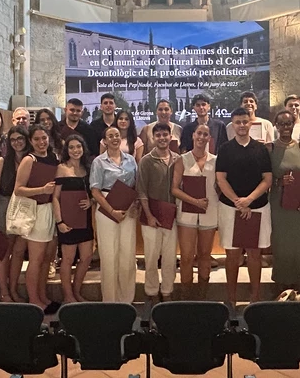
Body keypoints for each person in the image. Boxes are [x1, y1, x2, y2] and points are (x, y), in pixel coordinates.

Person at [216, 108, 273, 306]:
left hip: (257, 207)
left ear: (251, 123)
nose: (241, 125)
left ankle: (254, 298)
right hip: (230, 208)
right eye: (238, 122)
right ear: (233, 124)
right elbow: (221, 179)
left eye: (245, 122)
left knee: (254, 254)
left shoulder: (261, 149)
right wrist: (237, 202)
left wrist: (248, 199)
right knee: (232, 255)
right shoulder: (224, 149)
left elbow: (267, 179)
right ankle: (231, 299)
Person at [90, 126, 139, 303]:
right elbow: (95, 190)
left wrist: (135, 204)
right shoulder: (99, 162)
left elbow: (136, 185)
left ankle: (127, 299)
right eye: (110, 136)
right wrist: (111, 210)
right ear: (104, 140)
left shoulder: (131, 160)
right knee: (109, 255)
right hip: (106, 207)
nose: (114, 138)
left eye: (117, 135)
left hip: (128, 207)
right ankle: (110, 301)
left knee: (127, 255)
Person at [14, 124, 60, 312]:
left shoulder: (53, 157)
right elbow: (18, 189)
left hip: (51, 210)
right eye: (37, 139)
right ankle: (34, 299)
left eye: (44, 138)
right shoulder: (29, 160)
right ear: (31, 142)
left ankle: (42, 295)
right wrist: (42, 190)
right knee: (36, 258)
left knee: (47, 258)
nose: (41, 142)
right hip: (36, 211)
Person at [171, 124, 219, 299]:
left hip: (210, 212)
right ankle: (187, 298)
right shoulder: (181, 159)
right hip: (187, 213)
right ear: (193, 135)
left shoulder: (215, 160)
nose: (202, 137)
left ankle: (202, 298)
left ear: (209, 138)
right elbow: (174, 189)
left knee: (205, 256)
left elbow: (219, 186)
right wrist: (195, 202)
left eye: (206, 134)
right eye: (199, 133)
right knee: (186, 257)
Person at [268, 110, 300, 288]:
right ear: (276, 126)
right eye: (281, 124)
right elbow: (264, 178)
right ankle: (280, 286)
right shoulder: (270, 148)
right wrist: (279, 180)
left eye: (288, 123)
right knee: (281, 245)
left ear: (293, 125)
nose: (285, 127)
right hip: (279, 205)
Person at [137, 123, 180, 304]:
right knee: (152, 256)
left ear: (171, 137)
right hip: (151, 215)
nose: (162, 138)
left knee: (170, 256)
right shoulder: (146, 160)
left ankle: (168, 290)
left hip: (171, 215)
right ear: (153, 138)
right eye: (158, 135)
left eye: (165, 135)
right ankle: (152, 291)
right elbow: (141, 191)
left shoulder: (178, 159)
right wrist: (149, 215)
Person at [0, 125, 31, 302]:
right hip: (5, 206)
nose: (17, 143)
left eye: (20, 138)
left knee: (19, 251)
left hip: (27, 207)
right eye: (12, 139)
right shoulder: (1, 162)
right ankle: (4, 292)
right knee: (3, 252)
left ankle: (13, 290)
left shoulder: (31, 160)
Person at [52, 134, 95, 303]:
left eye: (78, 147)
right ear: (66, 150)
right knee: (68, 259)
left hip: (84, 219)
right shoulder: (61, 168)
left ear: (83, 148)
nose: (75, 150)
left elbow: (93, 193)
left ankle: (76, 291)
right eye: (71, 147)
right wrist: (59, 222)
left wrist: (91, 201)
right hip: (67, 220)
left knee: (86, 257)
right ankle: (68, 295)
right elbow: (55, 197)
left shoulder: (88, 168)